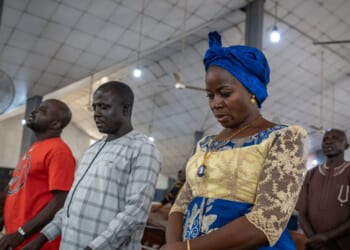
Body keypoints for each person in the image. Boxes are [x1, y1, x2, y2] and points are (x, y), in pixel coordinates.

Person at [161, 31, 308, 250]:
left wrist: (188, 248)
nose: (215, 103)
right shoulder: (206, 144)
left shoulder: (284, 139)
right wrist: (174, 245)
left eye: (225, 93)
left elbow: (267, 220)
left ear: (252, 91)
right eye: (210, 95)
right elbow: (180, 205)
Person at [24, 81, 161, 250]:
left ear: (125, 109)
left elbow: (135, 213)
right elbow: (71, 206)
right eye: (95, 107)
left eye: (104, 107)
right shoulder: (93, 149)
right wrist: (41, 239)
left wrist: (93, 248)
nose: (96, 114)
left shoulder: (142, 148)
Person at [0, 99, 76, 250]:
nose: (34, 111)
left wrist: (21, 233)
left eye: (42, 110)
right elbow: (16, 188)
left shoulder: (59, 151)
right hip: (14, 237)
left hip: (34, 242)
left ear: (55, 124)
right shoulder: (34, 148)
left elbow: (60, 202)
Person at [297, 129, 350, 250]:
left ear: (346, 145)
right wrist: (315, 240)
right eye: (325, 139)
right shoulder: (311, 174)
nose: (329, 142)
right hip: (316, 245)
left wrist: (327, 237)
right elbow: (301, 213)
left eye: (336, 138)